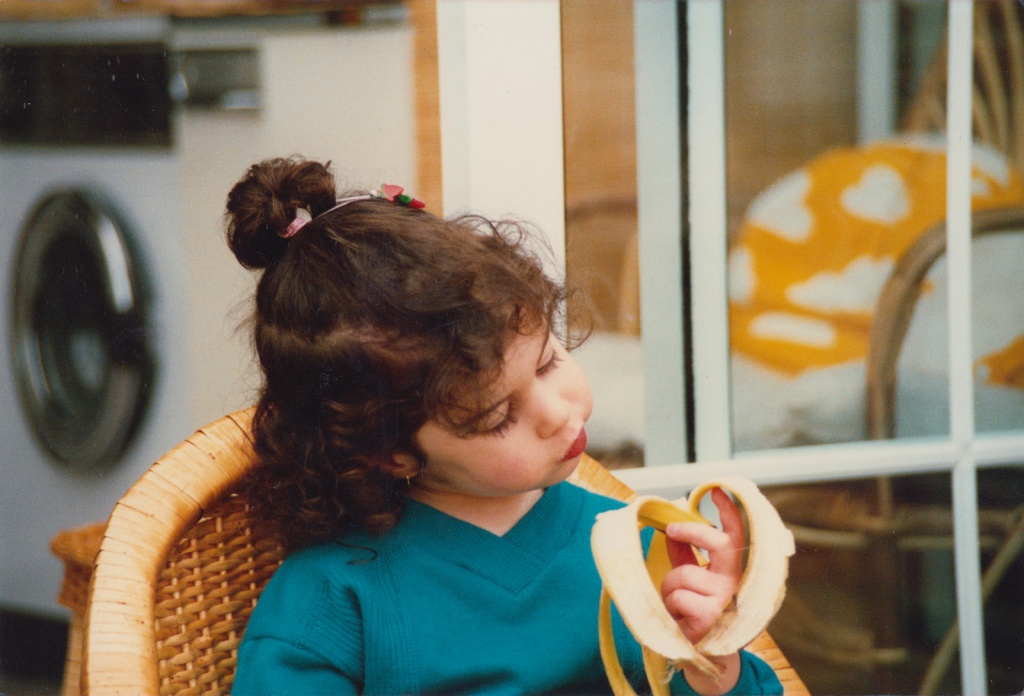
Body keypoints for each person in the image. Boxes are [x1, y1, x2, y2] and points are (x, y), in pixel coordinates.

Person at [226, 156, 783, 695]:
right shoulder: (329, 602)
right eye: (498, 416)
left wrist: (714, 666)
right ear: (389, 452)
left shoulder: (640, 550)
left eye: (547, 362)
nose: (557, 412)